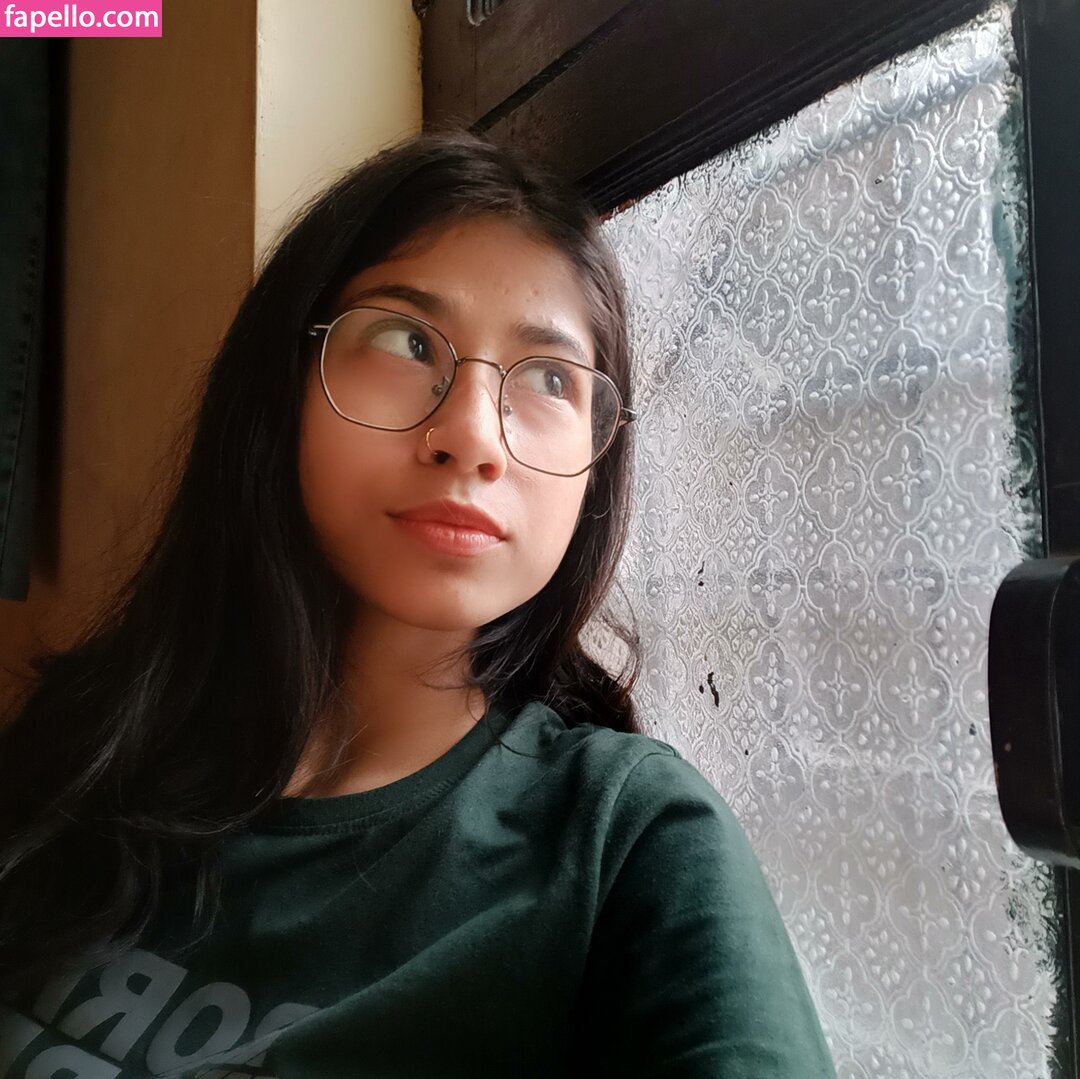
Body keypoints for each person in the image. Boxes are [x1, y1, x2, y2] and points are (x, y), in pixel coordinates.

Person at [0, 130, 835, 1077]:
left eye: (550, 378)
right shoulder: (90, 743)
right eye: (406, 340)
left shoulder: (628, 844)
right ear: (285, 381)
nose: (472, 435)